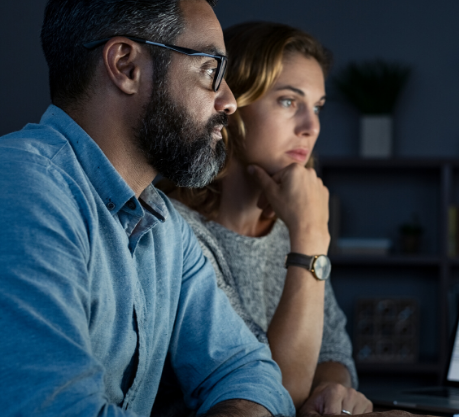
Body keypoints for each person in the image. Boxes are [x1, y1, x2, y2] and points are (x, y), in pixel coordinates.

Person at [0, 1, 296, 416]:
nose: (229, 102)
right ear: (126, 66)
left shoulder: (165, 228)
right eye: (211, 70)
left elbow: (245, 369)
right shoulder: (22, 188)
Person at [167, 21, 372, 415]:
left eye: (317, 107)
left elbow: (333, 351)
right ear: (233, 101)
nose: (311, 127)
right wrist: (311, 239)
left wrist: (332, 389)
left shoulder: (287, 228)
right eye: (288, 101)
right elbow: (274, 393)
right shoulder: (174, 229)